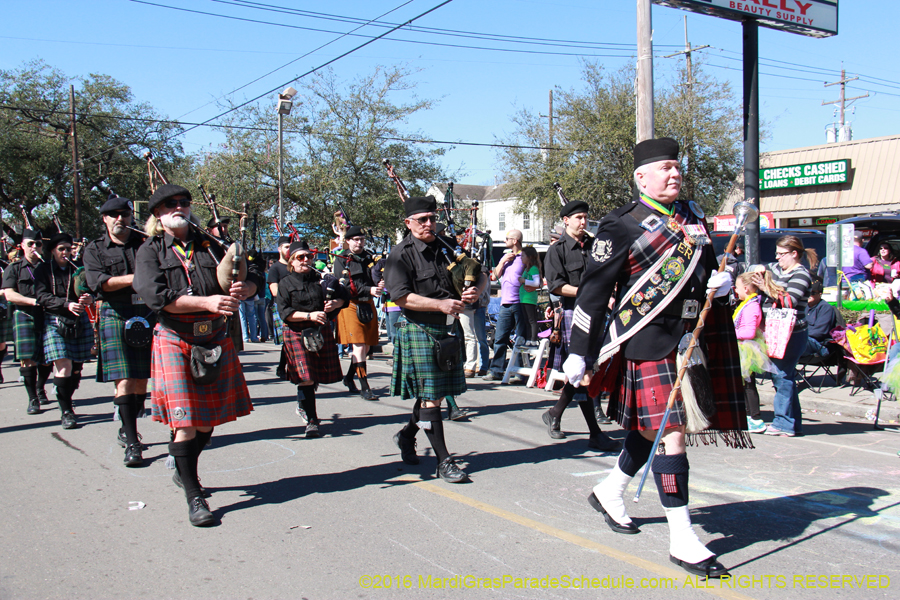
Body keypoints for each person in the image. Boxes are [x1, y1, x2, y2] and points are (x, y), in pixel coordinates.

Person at [566, 138, 750, 578]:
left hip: (690, 337)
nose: (674, 174)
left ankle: (610, 490)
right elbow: (593, 294)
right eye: (665, 168)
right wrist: (578, 351)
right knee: (672, 433)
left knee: (654, 430)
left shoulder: (692, 216)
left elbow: (707, 267)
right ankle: (682, 537)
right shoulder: (621, 225)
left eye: (677, 167)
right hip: (647, 338)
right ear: (641, 177)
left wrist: (723, 281)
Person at [133, 183, 254, 527]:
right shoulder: (149, 251)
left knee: (205, 422)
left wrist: (246, 287)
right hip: (175, 337)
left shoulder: (212, 245)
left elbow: (254, 277)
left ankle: (182, 465)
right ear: (157, 214)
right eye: (170, 204)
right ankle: (194, 495)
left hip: (213, 337)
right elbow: (156, 296)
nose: (179, 207)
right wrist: (207, 302)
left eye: (184, 202)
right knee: (185, 422)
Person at [385, 195, 488, 483]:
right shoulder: (400, 255)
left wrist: (477, 290)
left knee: (434, 396)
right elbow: (401, 297)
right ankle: (444, 461)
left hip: (449, 329)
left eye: (432, 218)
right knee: (431, 399)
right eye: (422, 220)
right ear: (408, 223)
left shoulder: (448, 245)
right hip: (420, 329)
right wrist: (439, 304)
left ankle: (406, 435)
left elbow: (479, 272)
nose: (429, 224)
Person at [542, 200, 619, 452]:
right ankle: (594, 433)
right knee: (583, 372)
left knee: (586, 370)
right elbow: (556, 286)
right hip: (574, 312)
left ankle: (555, 413)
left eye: (585, 217)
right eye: (578, 218)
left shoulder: (595, 247)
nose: (583, 222)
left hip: (598, 312)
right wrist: (587, 293)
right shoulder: (557, 250)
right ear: (566, 220)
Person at [83, 194, 153, 466]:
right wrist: (135, 279)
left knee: (141, 380)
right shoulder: (94, 249)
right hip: (115, 312)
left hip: (146, 312)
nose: (120, 219)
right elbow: (99, 283)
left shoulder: (146, 244)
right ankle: (133, 443)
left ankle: (127, 425)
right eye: (114, 215)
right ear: (105, 219)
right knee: (124, 380)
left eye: (125, 214)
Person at [276, 240, 347, 437]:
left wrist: (335, 303)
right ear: (292, 261)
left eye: (309, 256)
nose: (306, 260)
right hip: (297, 332)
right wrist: (309, 315)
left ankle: (303, 404)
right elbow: (285, 312)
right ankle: (312, 420)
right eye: (301, 257)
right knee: (306, 378)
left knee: (313, 376)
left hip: (320, 331)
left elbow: (345, 297)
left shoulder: (322, 279)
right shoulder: (285, 283)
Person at [751, 235, 818, 437]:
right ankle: (793, 424)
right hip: (774, 332)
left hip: (791, 334)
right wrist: (757, 269)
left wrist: (766, 288)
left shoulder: (801, 274)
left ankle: (783, 423)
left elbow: (789, 302)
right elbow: (756, 270)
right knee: (783, 376)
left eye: (781, 254)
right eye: (777, 253)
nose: (777, 257)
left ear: (794, 253)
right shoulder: (776, 269)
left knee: (781, 376)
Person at [34, 232, 95, 429]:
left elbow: (92, 289)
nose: (66, 252)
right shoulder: (43, 269)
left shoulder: (78, 269)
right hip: (54, 319)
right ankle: (66, 412)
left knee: (76, 369)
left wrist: (89, 298)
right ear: (53, 251)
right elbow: (41, 296)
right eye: (61, 249)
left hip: (78, 320)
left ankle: (65, 396)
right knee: (64, 366)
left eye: (69, 249)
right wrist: (66, 304)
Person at [2, 228, 53, 414]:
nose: (34, 247)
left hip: (47, 314)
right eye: (30, 244)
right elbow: (9, 294)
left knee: (47, 359)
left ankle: (40, 387)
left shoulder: (49, 267)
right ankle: (33, 398)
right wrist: (34, 301)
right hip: (25, 314)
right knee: (28, 359)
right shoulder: (14, 268)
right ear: (22, 246)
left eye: (38, 244)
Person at [333, 226, 383, 400]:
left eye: (362, 239)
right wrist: (370, 289)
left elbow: (376, 275)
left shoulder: (369, 257)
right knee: (359, 346)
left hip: (368, 304)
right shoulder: (341, 259)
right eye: (356, 240)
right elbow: (344, 285)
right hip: (351, 304)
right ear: (348, 241)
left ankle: (348, 378)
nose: (359, 243)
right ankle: (364, 387)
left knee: (366, 347)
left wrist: (380, 282)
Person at [732, 272, 779, 434]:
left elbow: (749, 332)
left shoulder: (751, 306)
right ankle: (748, 415)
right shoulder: (747, 303)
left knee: (749, 385)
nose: (735, 290)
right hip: (743, 348)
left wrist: (731, 332)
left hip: (748, 349)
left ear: (746, 288)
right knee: (744, 384)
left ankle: (755, 418)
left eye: (737, 287)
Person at [484, 230, 525, 381]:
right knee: (500, 337)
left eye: (507, 239)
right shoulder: (505, 257)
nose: (504, 241)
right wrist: (502, 262)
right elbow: (494, 276)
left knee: (520, 338)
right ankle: (496, 371)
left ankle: (520, 371)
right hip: (505, 303)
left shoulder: (525, 257)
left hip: (520, 303)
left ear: (515, 241)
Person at [268, 236, 292, 373]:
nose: (289, 249)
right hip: (282, 306)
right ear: (279, 249)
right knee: (287, 339)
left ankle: (283, 367)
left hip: (296, 306)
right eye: (286, 247)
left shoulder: (295, 266)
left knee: (293, 338)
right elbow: (274, 291)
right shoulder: (275, 268)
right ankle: (282, 367)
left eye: (290, 247)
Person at [803, 280, 840, 359]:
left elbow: (820, 332)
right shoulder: (803, 307)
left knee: (797, 340)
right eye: (807, 292)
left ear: (820, 294)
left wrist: (799, 334)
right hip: (805, 341)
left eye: (812, 293)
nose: (809, 295)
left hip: (820, 346)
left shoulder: (826, 308)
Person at [517, 246, 542, 345]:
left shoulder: (534, 269)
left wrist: (524, 281)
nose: (521, 258)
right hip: (523, 299)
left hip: (529, 299)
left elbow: (536, 283)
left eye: (523, 255)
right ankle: (528, 339)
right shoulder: (526, 269)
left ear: (529, 257)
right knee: (526, 320)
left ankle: (534, 340)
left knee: (532, 320)